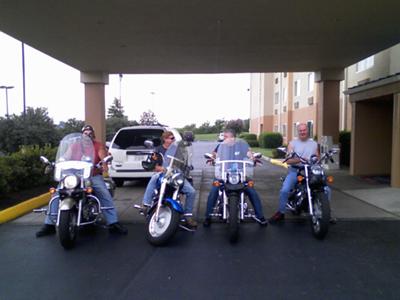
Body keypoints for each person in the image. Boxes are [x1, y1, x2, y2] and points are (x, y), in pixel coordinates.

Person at [36, 125, 128, 237]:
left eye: (90, 133)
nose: (87, 135)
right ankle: (49, 225)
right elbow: (65, 156)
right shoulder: (75, 145)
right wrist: (60, 161)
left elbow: (103, 157)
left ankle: (113, 223)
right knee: (57, 193)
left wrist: (104, 164)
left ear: (93, 135)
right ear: (82, 135)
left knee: (104, 193)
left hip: (92, 175)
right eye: (85, 133)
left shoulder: (98, 145)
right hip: (73, 175)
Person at [269, 123, 333, 223]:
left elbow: (317, 157)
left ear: (308, 131)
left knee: (327, 190)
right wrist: (299, 160)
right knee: (285, 190)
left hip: (311, 170)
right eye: (300, 130)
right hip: (295, 170)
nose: (302, 132)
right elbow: (288, 160)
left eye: (304, 130)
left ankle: (326, 213)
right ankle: (281, 212)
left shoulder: (314, 144)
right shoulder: (292, 143)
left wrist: (317, 160)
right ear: (298, 132)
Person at [203, 128, 268, 227]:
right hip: (223, 174)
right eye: (223, 137)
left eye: (226, 137)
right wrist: (212, 159)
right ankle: (208, 216)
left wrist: (253, 158)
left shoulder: (241, 145)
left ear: (233, 137)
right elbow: (214, 154)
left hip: (240, 174)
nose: (223, 138)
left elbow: (249, 153)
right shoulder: (221, 145)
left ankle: (260, 216)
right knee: (214, 190)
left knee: (251, 190)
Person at [141, 131, 198, 230]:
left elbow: (185, 163)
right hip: (163, 174)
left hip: (175, 175)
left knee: (192, 191)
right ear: (165, 139)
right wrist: (162, 169)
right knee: (154, 177)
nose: (173, 140)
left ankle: (188, 216)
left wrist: (187, 166)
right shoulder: (158, 150)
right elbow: (154, 166)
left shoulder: (178, 149)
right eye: (171, 138)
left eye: (174, 138)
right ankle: (145, 204)